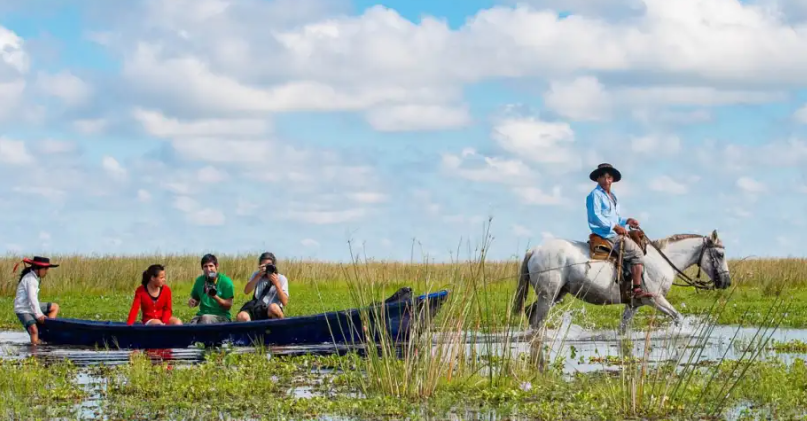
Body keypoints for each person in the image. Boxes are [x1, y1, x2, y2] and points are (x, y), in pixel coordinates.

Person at [586, 163, 652, 298]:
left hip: (612, 231)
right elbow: (595, 217)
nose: (606, 180)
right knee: (638, 254)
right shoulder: (594, 195)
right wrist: (615, 227)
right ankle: (637, 290)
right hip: (606, 233)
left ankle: (628, 276)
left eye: (609, 177)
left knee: (640, 239)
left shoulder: (613, 196)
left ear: (613, 180)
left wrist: (627, 221)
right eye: (603, 177)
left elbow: (614, 218)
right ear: (598, 179)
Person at [13, 256, 61, 345]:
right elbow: (32, 299)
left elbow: (33, 301)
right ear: (38, 269)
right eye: (46, 269)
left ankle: (49, 331)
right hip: (22, 309)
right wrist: (39, 315)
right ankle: (35, 352)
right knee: (34, 330)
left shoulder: (34, 278)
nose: (47, 271)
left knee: (55, 307)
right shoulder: (30, 280)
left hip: (30, 306)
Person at [236, 252, 289, 322]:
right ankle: (250, 332)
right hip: (257, 308)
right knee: (242, 316)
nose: (266, 268)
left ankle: (279, 330)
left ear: (274, 266)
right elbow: (246, 291)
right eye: (264, 266)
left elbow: (285, 302)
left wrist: (277, 284)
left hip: (271, 310)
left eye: (268, 265)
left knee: (273, 308)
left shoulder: (281, 278)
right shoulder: (257, 275)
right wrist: (258, 276)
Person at [187, 254, 235, 324]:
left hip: (221, 316)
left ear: (217, 266)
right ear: (202, 268)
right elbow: (196, 299)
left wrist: (215, 297)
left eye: (211, 266)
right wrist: (192, 302)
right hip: (202, 315)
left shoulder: (225, 281)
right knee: (192, 325)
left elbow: (228, 306)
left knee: (206, 319)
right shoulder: (199, 280)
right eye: (205, 266)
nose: (208, 269)